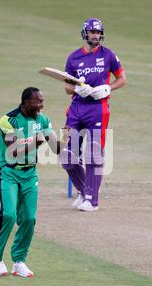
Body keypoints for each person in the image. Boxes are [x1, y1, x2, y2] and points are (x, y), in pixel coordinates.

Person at [0, 87, 70, 277]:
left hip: (30, 174)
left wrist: (66, 139)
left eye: (42, 101)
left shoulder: (43, 119)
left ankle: (19, 261)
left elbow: (56, 149)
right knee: (9, 215)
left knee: (29, 219)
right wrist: (35, 141)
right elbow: (13, 149)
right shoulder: (8, 120)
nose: (41, 105)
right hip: (9, 171)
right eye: (37, 102)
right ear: (25, 102)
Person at [61, 18, 127, 212]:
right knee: (68, 156)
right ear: (85, 33)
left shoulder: (108, 55)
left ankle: (92, 199)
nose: (96, 36)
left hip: (98, 108)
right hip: (76, 109)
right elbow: (66, 86)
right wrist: (76, 89)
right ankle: (83, 191)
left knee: (94, 153)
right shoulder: (73, 58)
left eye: (98, 32)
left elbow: (122, 79)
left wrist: (108, 88)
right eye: (92, 32)